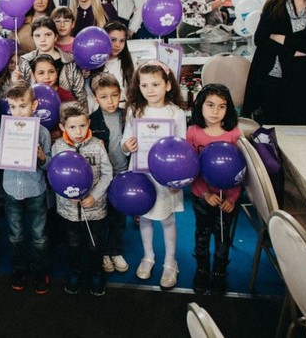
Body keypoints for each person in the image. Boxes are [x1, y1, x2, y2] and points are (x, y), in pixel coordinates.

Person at [121, 61, 187, 289]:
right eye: (144, 85)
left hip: (166, 178)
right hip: (141, 173)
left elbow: (183, 149)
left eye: (156, 84)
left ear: (168, 85)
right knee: (146, 216)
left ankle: (170, 262)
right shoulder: (134, 111)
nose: (150, 90)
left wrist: (177, 179)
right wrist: (126, 146)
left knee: (167, 219)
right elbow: (125, 139)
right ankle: (148, 256)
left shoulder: (177, 113)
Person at [186, 84, 242, 295]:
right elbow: (191, 170)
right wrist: (205, 193)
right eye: (210, 105)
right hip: (202, 197)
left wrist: (233, 198)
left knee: (222, 237)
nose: (215, 112)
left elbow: (241, 172)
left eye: (221, 106)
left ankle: (219, 272)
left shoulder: (233, 134)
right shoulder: (192, 133)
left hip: (227, 199)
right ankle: (202, 269)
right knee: (202, 234)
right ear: (200, 105)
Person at [52, 102, 112, 296]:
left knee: (95, 245)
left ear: (89, 123)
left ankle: (96, 273)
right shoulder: (58, 147)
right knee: (73, 244)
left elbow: (107, 174)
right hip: (68, 211)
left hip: (95, 209)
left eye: (82, 125)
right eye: (72, 127)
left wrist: (94, 196)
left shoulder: (97, 145)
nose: (78, 131)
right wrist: (66, 195)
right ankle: (75, 272)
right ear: (62, 127)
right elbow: (54, 176)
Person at [1, 82, 52, 293]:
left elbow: (50, 163)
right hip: (12, 188)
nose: (18, 111)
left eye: (22, 106)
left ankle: (40, 270)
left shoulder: (42, 133)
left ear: (34, 105)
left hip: (35, 189)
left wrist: (41, 157)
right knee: (16, 235)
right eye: (13, 107)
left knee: (39, 235)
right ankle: (20, 268)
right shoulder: (5, 130)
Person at [88, 73, 129, 275]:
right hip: (102, 177)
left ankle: (116, 251)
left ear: (120, 94)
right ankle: (103, 252)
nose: (110, 101)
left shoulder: (127, 116)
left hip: (123, 174)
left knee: (119, 216)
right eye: (104, 97)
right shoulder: (91, 121)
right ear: (95, 98)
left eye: (114, 95)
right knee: (101, 217)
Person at [16, 17, 87, 109]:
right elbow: (20, 92)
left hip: (66, 113)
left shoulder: (70, 60)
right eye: (37, 36)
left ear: (56, 37)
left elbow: (80, 94)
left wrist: (80, 115)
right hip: (35, 113)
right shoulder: (25, 60)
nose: (42, 40)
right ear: (32, 38)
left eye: (48, 35)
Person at [87, 21, 134, 112]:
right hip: (99, 110)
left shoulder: (130, 61)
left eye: (122, 41)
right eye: (113, 40)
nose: (117, 45)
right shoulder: (93, 61)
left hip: (124, 110)